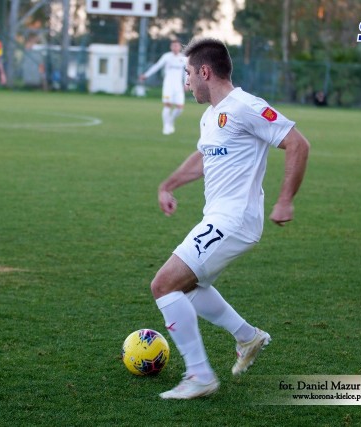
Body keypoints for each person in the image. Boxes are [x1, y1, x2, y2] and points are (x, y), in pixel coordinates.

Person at [151, 38, 310, 400]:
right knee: (187, 288)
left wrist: (286, 200)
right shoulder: (212, 116)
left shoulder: (245, 106)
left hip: (234, 220)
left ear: (205, 72)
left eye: (189, 74)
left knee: (164, 285)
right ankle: (247, 336)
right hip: (221, 218)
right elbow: (205, 157)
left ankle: (199, 376)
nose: (187, 83)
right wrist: (168, 184)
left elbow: (298, 143)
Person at [139, 39, 187, 135]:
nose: (175, 48)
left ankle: (170, 121)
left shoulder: (183, 58)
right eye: (173, 46)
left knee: (180, 108)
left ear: (180, 47)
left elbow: (186, 72)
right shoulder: (166, 57)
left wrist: (186, 83)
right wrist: (146, 75)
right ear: (171, 47)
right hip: (168, 86)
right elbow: (157, 66)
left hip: (178, 87)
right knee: (167, 105)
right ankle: (166, 126)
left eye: (177, 46)